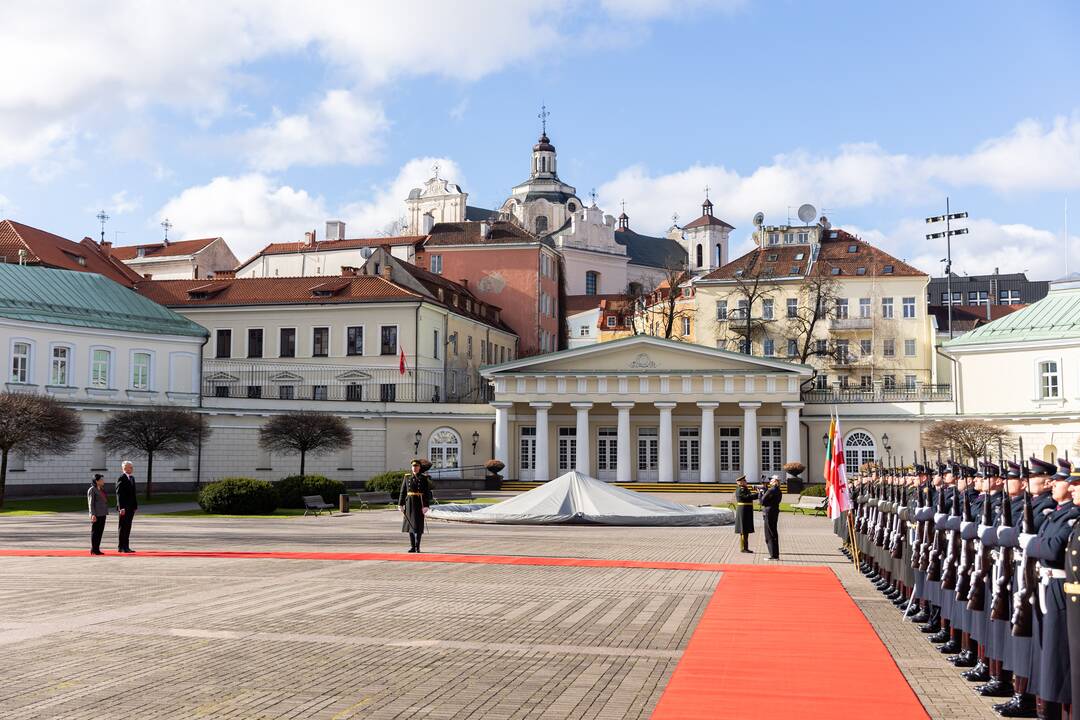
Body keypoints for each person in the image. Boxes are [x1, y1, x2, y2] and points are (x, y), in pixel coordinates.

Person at [399, 459, 433, 553]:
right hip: (409, 503)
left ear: (419, 468)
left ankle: (418, 546)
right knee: (410, 525)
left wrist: (426, 506)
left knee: (418, 525)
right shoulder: (407, 477)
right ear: (412, 467)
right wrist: (400, 504)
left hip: (419, 502)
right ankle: (412, 546)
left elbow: (426, 493)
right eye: (413, 466)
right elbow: (403, 491)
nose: (415, 468)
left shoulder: (423, 478)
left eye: (417, 466)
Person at [115, 461, 138, 554]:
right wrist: (121, 507)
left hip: (131, 507)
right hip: (124, 508)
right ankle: (121, 547)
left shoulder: (132, 478)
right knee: (123, 527)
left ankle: (126, 546)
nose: (132, 469)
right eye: (130, 467)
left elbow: (133, 494)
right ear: (124, 468)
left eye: (132, 467)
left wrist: (135, 505)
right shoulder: (121, 478)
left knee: (128, 527)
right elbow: (119, 494)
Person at [759, 474, 782, 560]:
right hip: (774, 511)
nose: (770, 481)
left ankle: (773, 555)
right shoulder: (778, 490)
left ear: (775, 481)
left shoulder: (771, 490)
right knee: (774, 532)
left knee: (769, 534)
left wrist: (761, 493)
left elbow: (762, 502)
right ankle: (775, 554)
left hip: (769, 512)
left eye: (771, 480)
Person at [87, 474, 107, 556]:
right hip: (96, 514)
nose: (103, 481)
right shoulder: (92, 489)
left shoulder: (101, 489)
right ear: (97, 481)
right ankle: (94, 549)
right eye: (101, 480)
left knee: (100, 532)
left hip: (103, 513)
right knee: (95, 532)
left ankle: (97, 548)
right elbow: (90, 503)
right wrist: (92, 514)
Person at [734, 476, 755, 554]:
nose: (746, 482)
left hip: (746, 510)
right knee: (744, 529)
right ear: (740, 482)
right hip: (743, 511)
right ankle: (743, 548)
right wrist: (757, 495)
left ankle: (745, 547)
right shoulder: (740, 489)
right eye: (744, 481)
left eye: (745, 480)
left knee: (746, 529)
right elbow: (746, 497)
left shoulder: (745, 488)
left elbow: (749, 497)